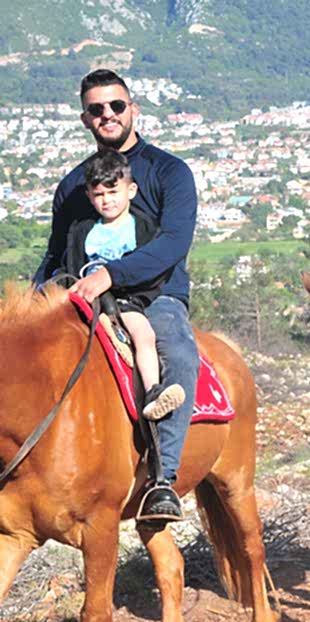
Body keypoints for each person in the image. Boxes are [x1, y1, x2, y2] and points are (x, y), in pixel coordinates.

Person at [34, 69, 199, 521]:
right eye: (96, 109)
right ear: (85, 118)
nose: (107, 114)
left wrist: (112, 274)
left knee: (180, 354)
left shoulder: (169, 171)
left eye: (116, 106)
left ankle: (163, 479)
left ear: (133, 110)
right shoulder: (73, 186)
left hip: (155, 293)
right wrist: (32, 304)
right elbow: (54, 254)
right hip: (82, 292)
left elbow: (173, 245)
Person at [63, 151, 186, 421]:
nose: (106, 200)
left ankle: (153, 391)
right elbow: (69, 263)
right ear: (89, 196)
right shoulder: (83, 230)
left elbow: (148, 268)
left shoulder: (142, 228)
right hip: (84, 295)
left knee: (143, 334)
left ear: (131, 190)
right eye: (99, 195)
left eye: (112, 192)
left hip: (123, 298)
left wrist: (124, 290)